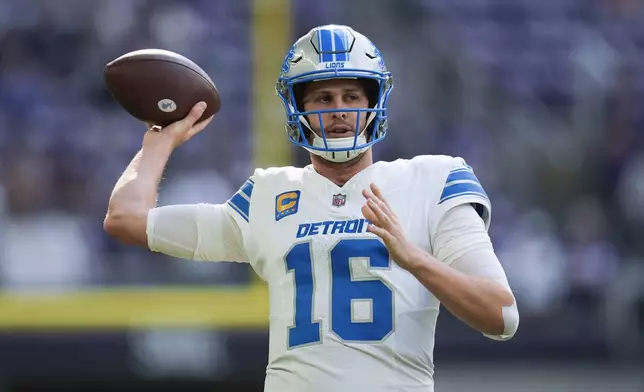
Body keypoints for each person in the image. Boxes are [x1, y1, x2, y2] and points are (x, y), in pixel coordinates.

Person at [104, 24, 519, 392]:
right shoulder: (267, 194)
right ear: (298, 109)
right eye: (322, 97)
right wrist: (159, 141)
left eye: (351, 95)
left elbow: (500, 314)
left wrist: (414, 259)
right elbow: (125, 220)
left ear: (373, 101)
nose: (339, 108)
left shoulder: (433, 179)